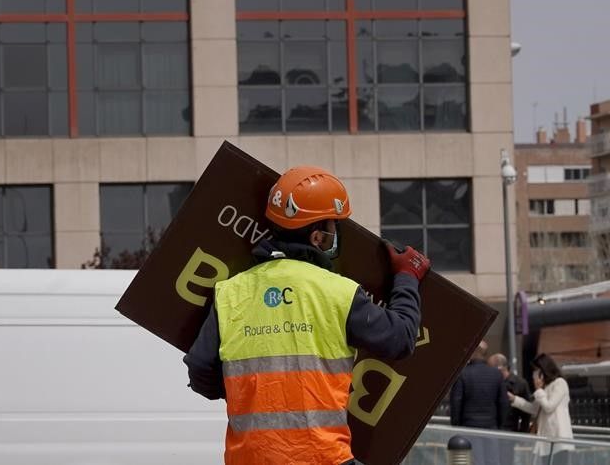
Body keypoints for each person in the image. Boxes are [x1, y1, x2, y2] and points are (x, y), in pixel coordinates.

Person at [183, 165, 429, 465]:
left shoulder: (230, 293)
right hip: (321, 458)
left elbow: (199, 367)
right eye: (334, 227)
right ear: (317, 238)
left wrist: (246, 394)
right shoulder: (338, 293)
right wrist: (406, 278)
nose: (336, 234)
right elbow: (401, 339)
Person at [449, 340, 508, 465]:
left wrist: (457, 426)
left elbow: (456, 402)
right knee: (492, 461)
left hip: (469, 426)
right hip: (491, 427)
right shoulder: (496, 374)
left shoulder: (463, 374)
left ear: (473, 352)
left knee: (475, 461)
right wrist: (500, 425)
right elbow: (503, 402)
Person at [509, 354, 574, 464]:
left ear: (544, 370)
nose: (534, 375)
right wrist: (515, 400)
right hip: (546, 440)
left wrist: (539, 390)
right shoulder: (545, 388)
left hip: (559, 438)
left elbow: (549, 406)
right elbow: (534, 408)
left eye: (536, 370)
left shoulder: (559, 383)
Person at [490, 353, 533, 432]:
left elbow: (526, 414)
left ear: (500, 368)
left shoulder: (520, 383)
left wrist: (523, 434)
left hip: (511, 431)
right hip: (493, 429)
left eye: (490, 368)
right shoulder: (491, 383)